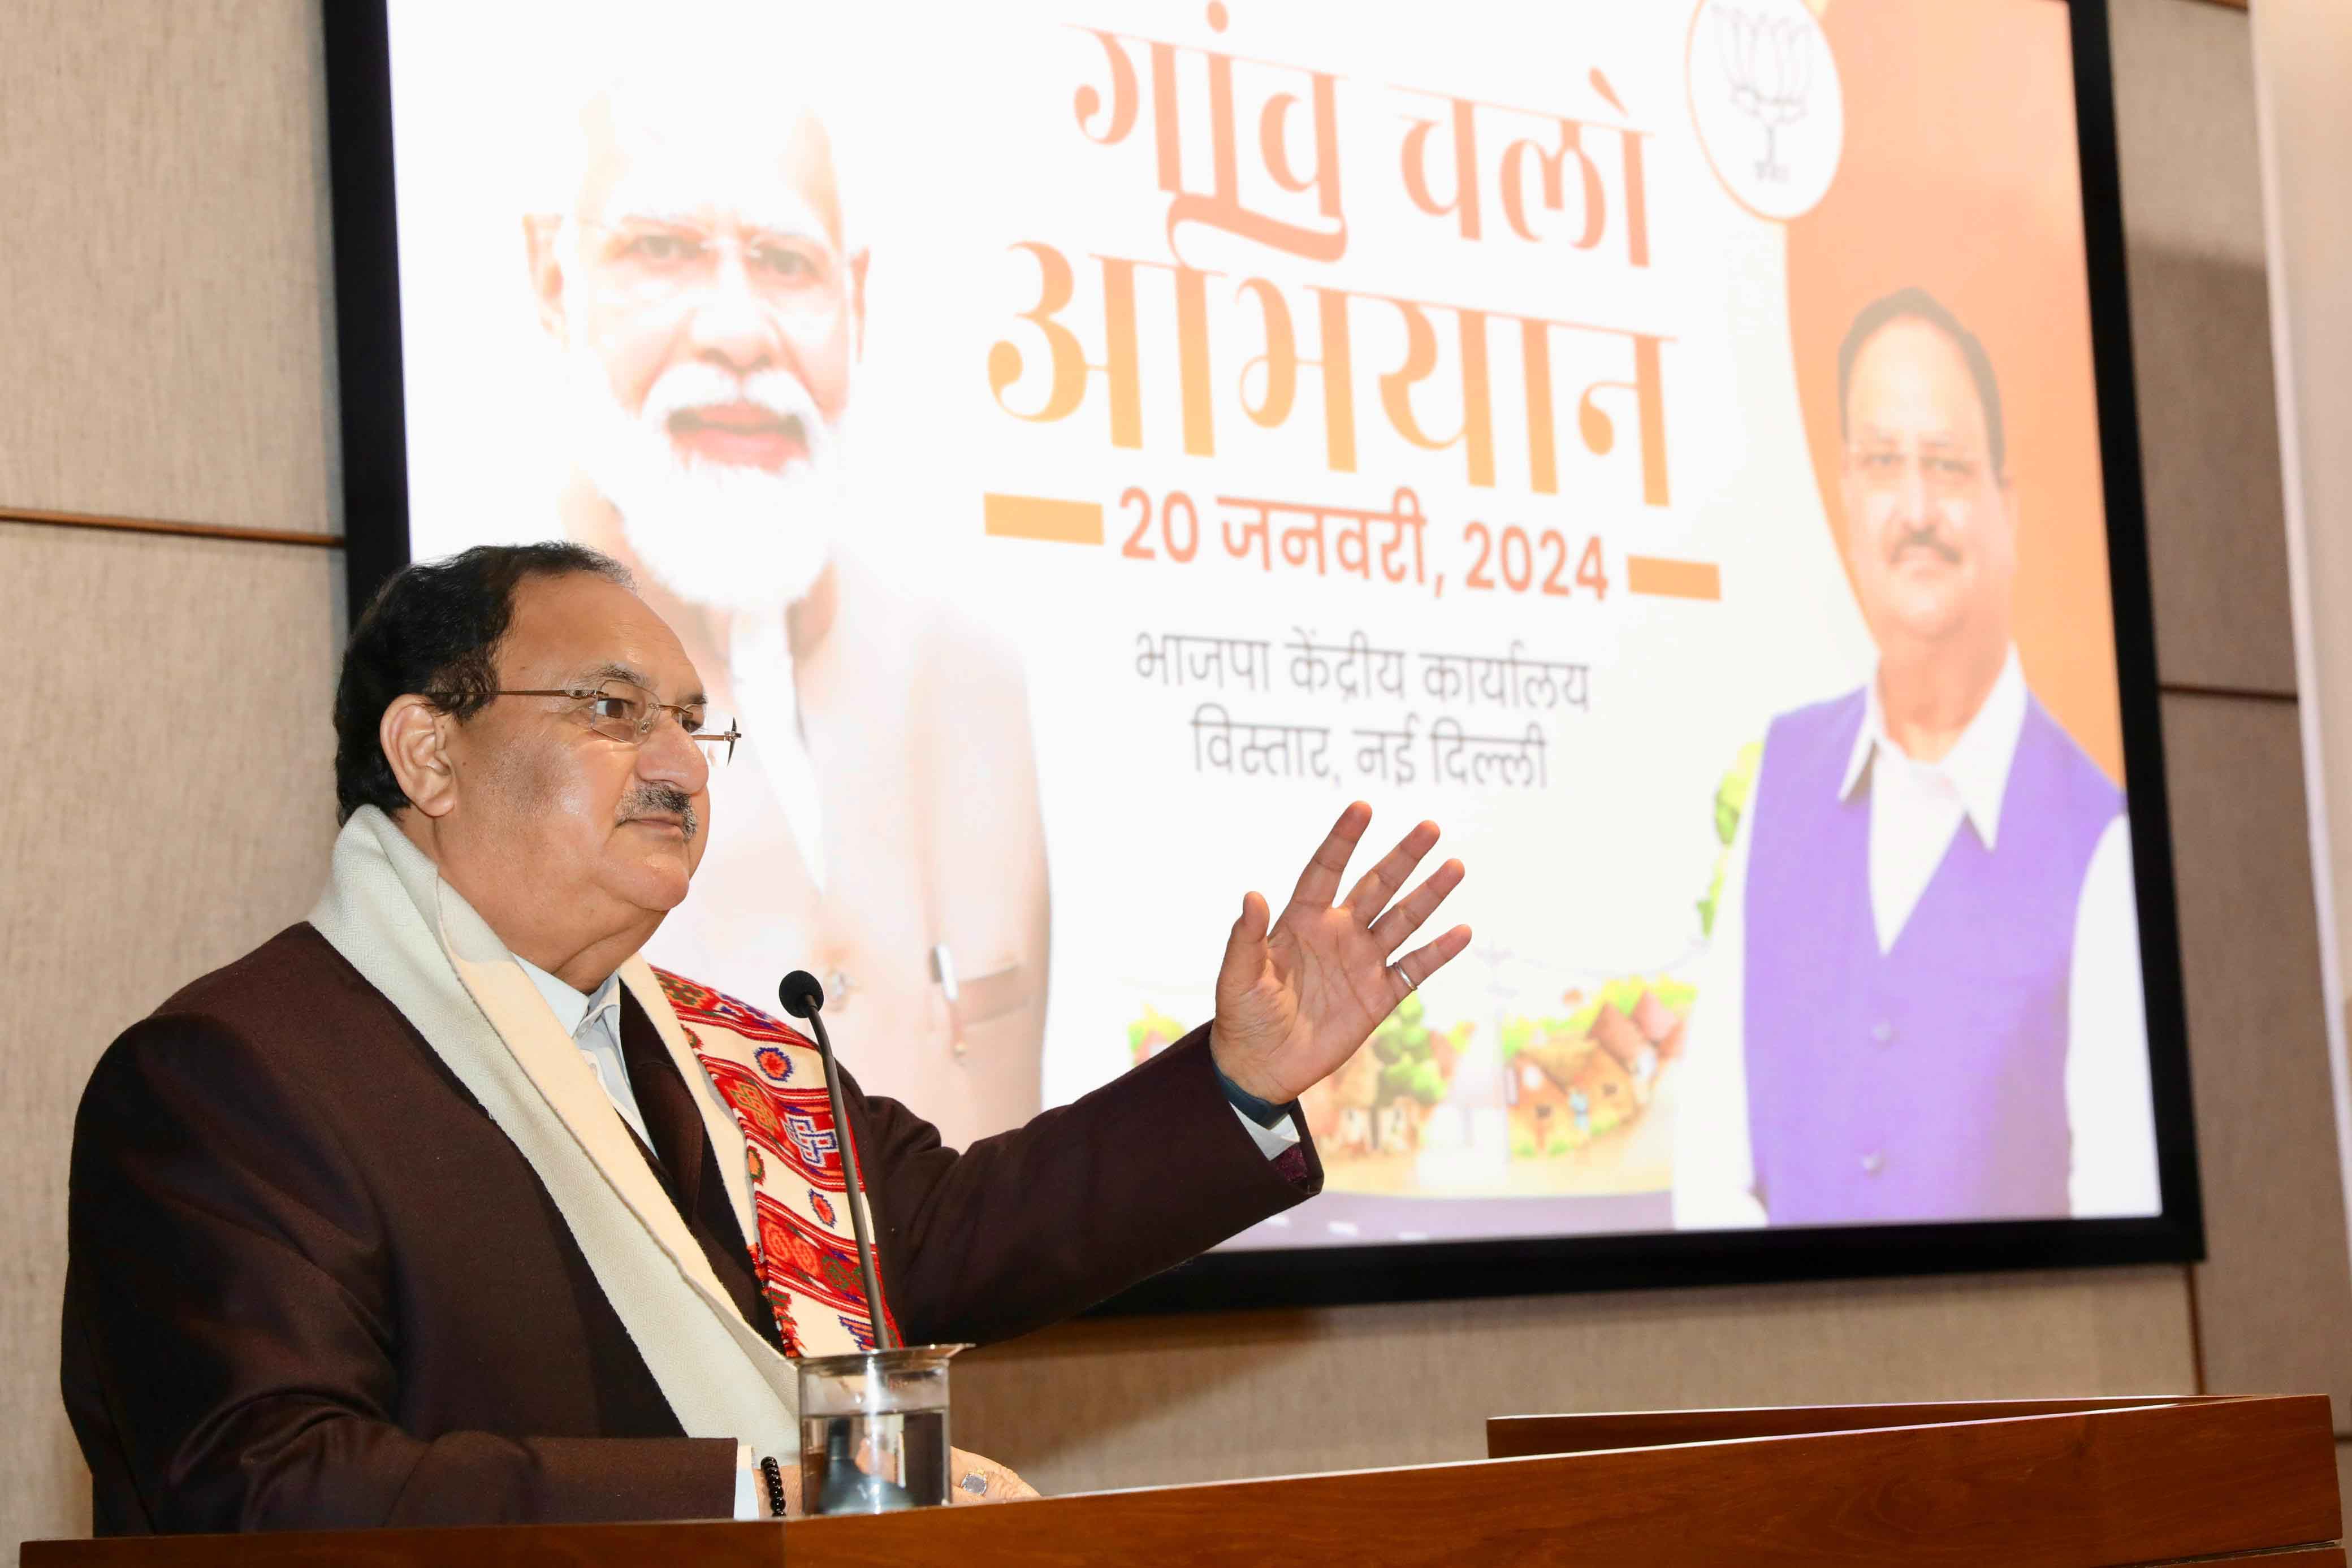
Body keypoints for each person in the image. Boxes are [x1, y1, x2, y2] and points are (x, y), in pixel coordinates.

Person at [61, 544, 1469, 1533]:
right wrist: (761, 1497)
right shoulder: (241, 1077)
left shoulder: (725, 1056)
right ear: (428, 754)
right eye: (613, 711)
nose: (678, 763)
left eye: (690, 721)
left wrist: (1235, 1082)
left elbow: (949, 1232)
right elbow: (268, 1485)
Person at [521, 64, 1046, 1152]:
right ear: (552, 280)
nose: (738, 331)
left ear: (855, 296)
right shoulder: (483, 693)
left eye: (785, 262)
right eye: (661, 251)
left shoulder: (971, 671)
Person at [1671, 287, 2159, 1229]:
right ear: (1847, 499)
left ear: (2005, 508)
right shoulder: (1782, 774)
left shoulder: (2102, 839)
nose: (1919, 506)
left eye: (1948, 464)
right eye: (1884, 464)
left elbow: (2120, 1217)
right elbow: (1711, 1167)